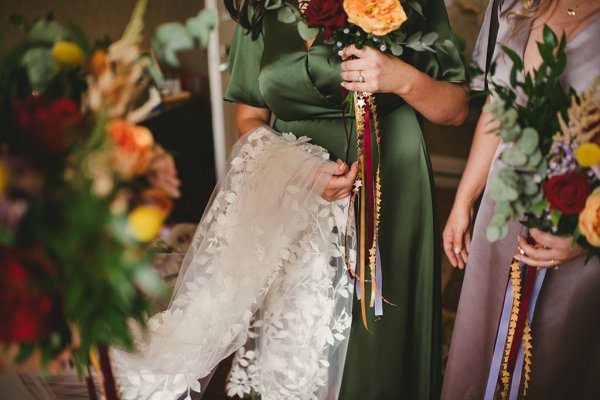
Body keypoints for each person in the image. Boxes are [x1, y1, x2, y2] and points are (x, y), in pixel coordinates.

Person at [223, 1, 467, 399]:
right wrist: (299, 170)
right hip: (294, 189)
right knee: (299, 338)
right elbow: (249, 119)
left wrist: (402, 80)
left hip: (391, 181)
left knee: (376, 345)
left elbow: (455, 109)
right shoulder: (262, 8)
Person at [441, 0, 600, 399]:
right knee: (481, 348)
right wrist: (465, 199)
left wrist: (588, 235)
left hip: (581, 224)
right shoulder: (513, 3)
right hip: (503, 210)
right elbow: (498, 104)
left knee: (556, 361)